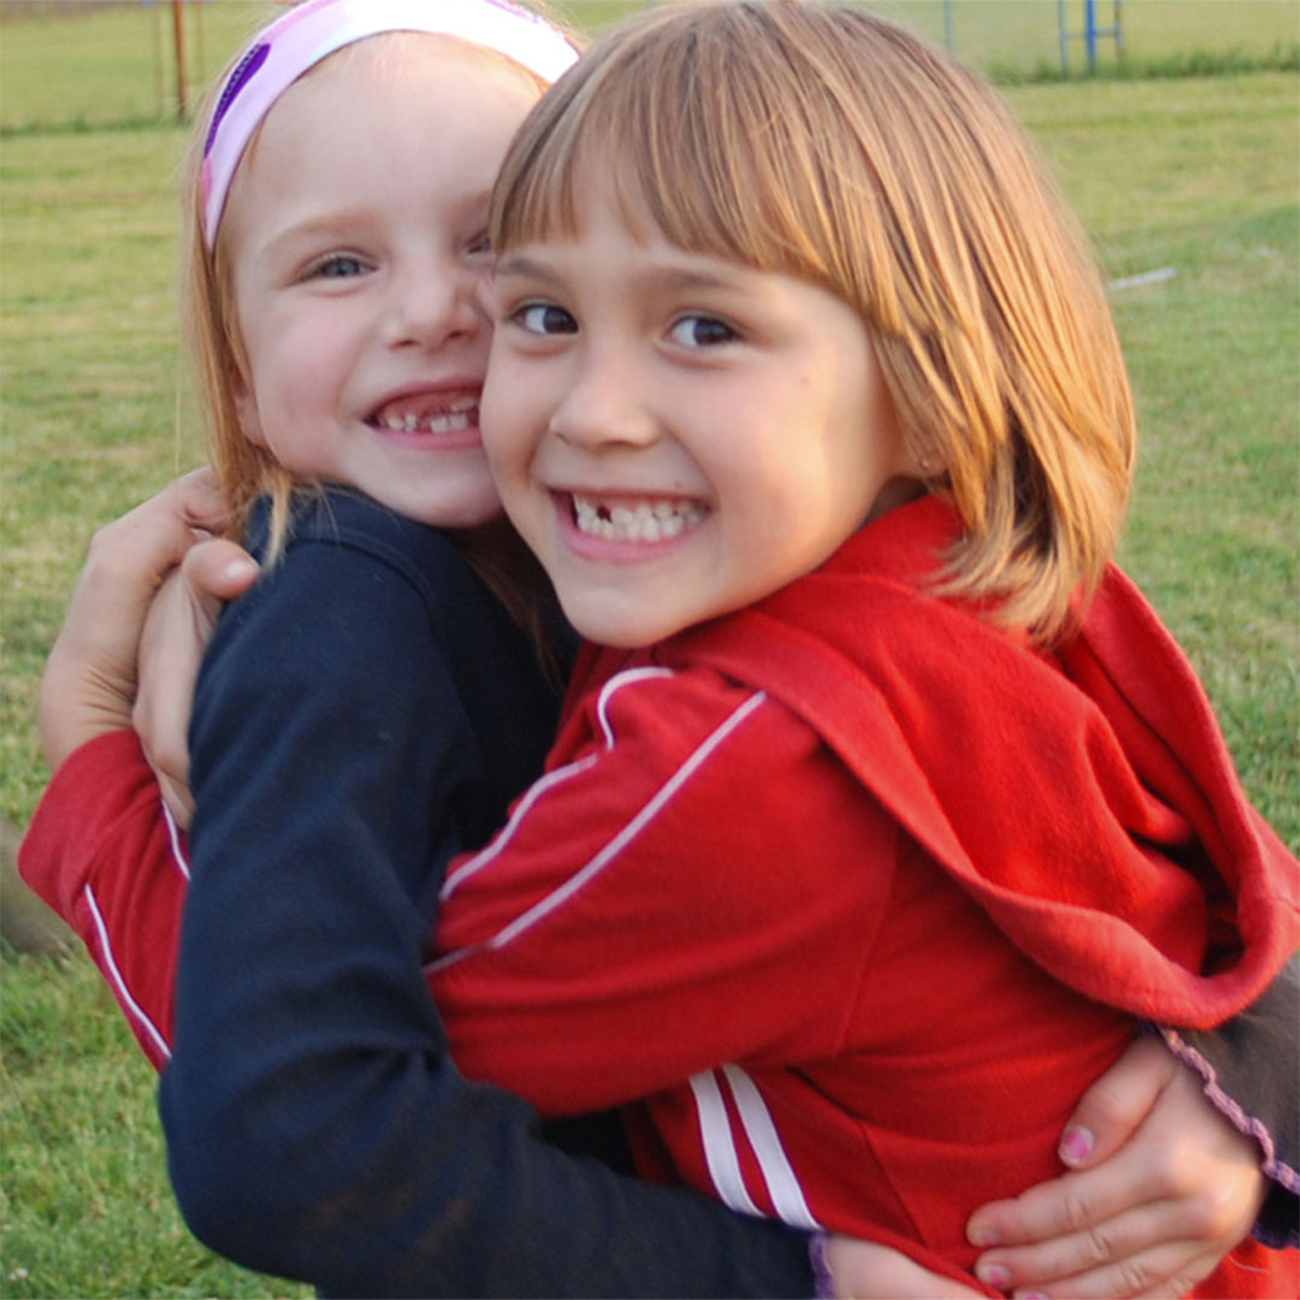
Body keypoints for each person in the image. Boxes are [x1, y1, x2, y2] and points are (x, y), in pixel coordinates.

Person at [17, 1, 1297, 1297]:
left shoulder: (752, 696)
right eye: (552, 312)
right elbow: (294, 1094)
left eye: (494, 257)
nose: (440, 315)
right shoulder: (937, 574)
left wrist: (1258, 1077)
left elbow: (299, 1092)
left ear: (927, 391)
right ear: (236, 358)